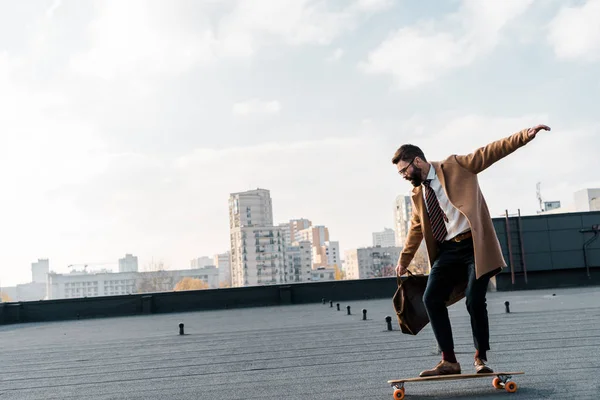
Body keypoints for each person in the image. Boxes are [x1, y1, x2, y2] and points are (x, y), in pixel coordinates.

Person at [393, 124, 551, 377]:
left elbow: (489, 152)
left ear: (418, 161)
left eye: (404, 170)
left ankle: (481, 357)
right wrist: (404, 259)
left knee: (475, 300)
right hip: (447, 251)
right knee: (430, 298)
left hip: (474, 246)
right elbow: (416, 229)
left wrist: (524, 136)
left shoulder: (455, 166)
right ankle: (449, 361)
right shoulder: (417, 194)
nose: (403, 176)